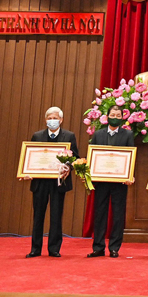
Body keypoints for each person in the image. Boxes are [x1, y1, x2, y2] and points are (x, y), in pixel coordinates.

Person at [23, 107, 79, 258]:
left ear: (61, 120)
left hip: (58, 182)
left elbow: (75, 158)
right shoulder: (37, 136)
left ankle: (54, 248)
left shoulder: (69, 136)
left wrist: (68, 167)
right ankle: (35, 249)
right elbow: (30, 157)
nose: (52, 121)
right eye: (49, 118)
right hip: (40, 182)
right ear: (45, 120)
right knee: (38, 216)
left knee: (56, 215)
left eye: (55, 118)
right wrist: (27, 171)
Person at [87, 105, 135, 258]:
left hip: (119, 181)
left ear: (122, 118)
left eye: (118, 115)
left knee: (118, 215)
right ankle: (98, 247)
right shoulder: (98, 134)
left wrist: (129, 175)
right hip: (101, 181)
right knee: (99, 214)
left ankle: (114, 247)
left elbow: (131, 156)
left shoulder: (128, 135)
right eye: (112, 115)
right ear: (107, 117)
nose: (115, 117)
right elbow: (92, 156)